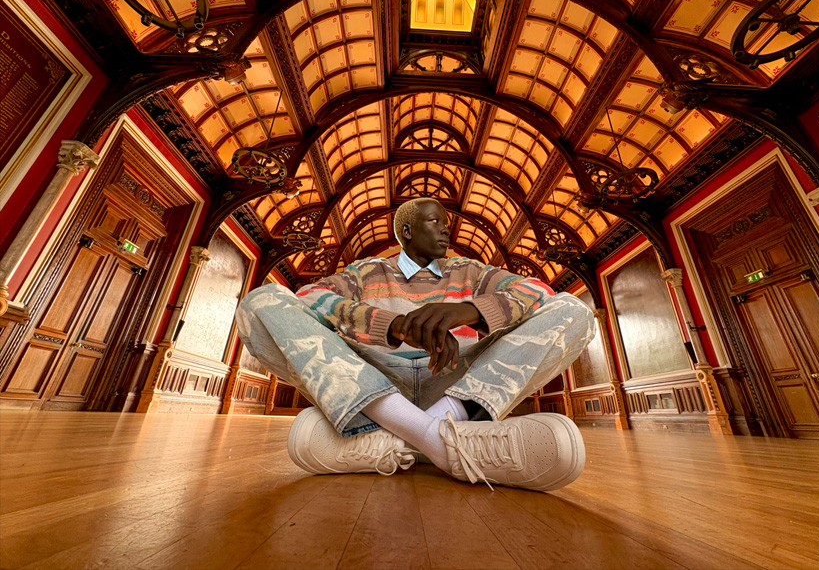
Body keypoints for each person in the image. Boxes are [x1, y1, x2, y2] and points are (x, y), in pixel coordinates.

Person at [235, 197, 595, 491]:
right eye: (434, 222)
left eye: (446, 223)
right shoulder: (366, 269)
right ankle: (446, 443)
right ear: (406, 231)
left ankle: (397, 437)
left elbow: (536, 291)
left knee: (573, 310)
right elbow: (311, 295)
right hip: (375, 379)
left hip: (457, 381)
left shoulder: (472, 270)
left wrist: (470, 311)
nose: (446, 229)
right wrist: (391, 325)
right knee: (261, 302)